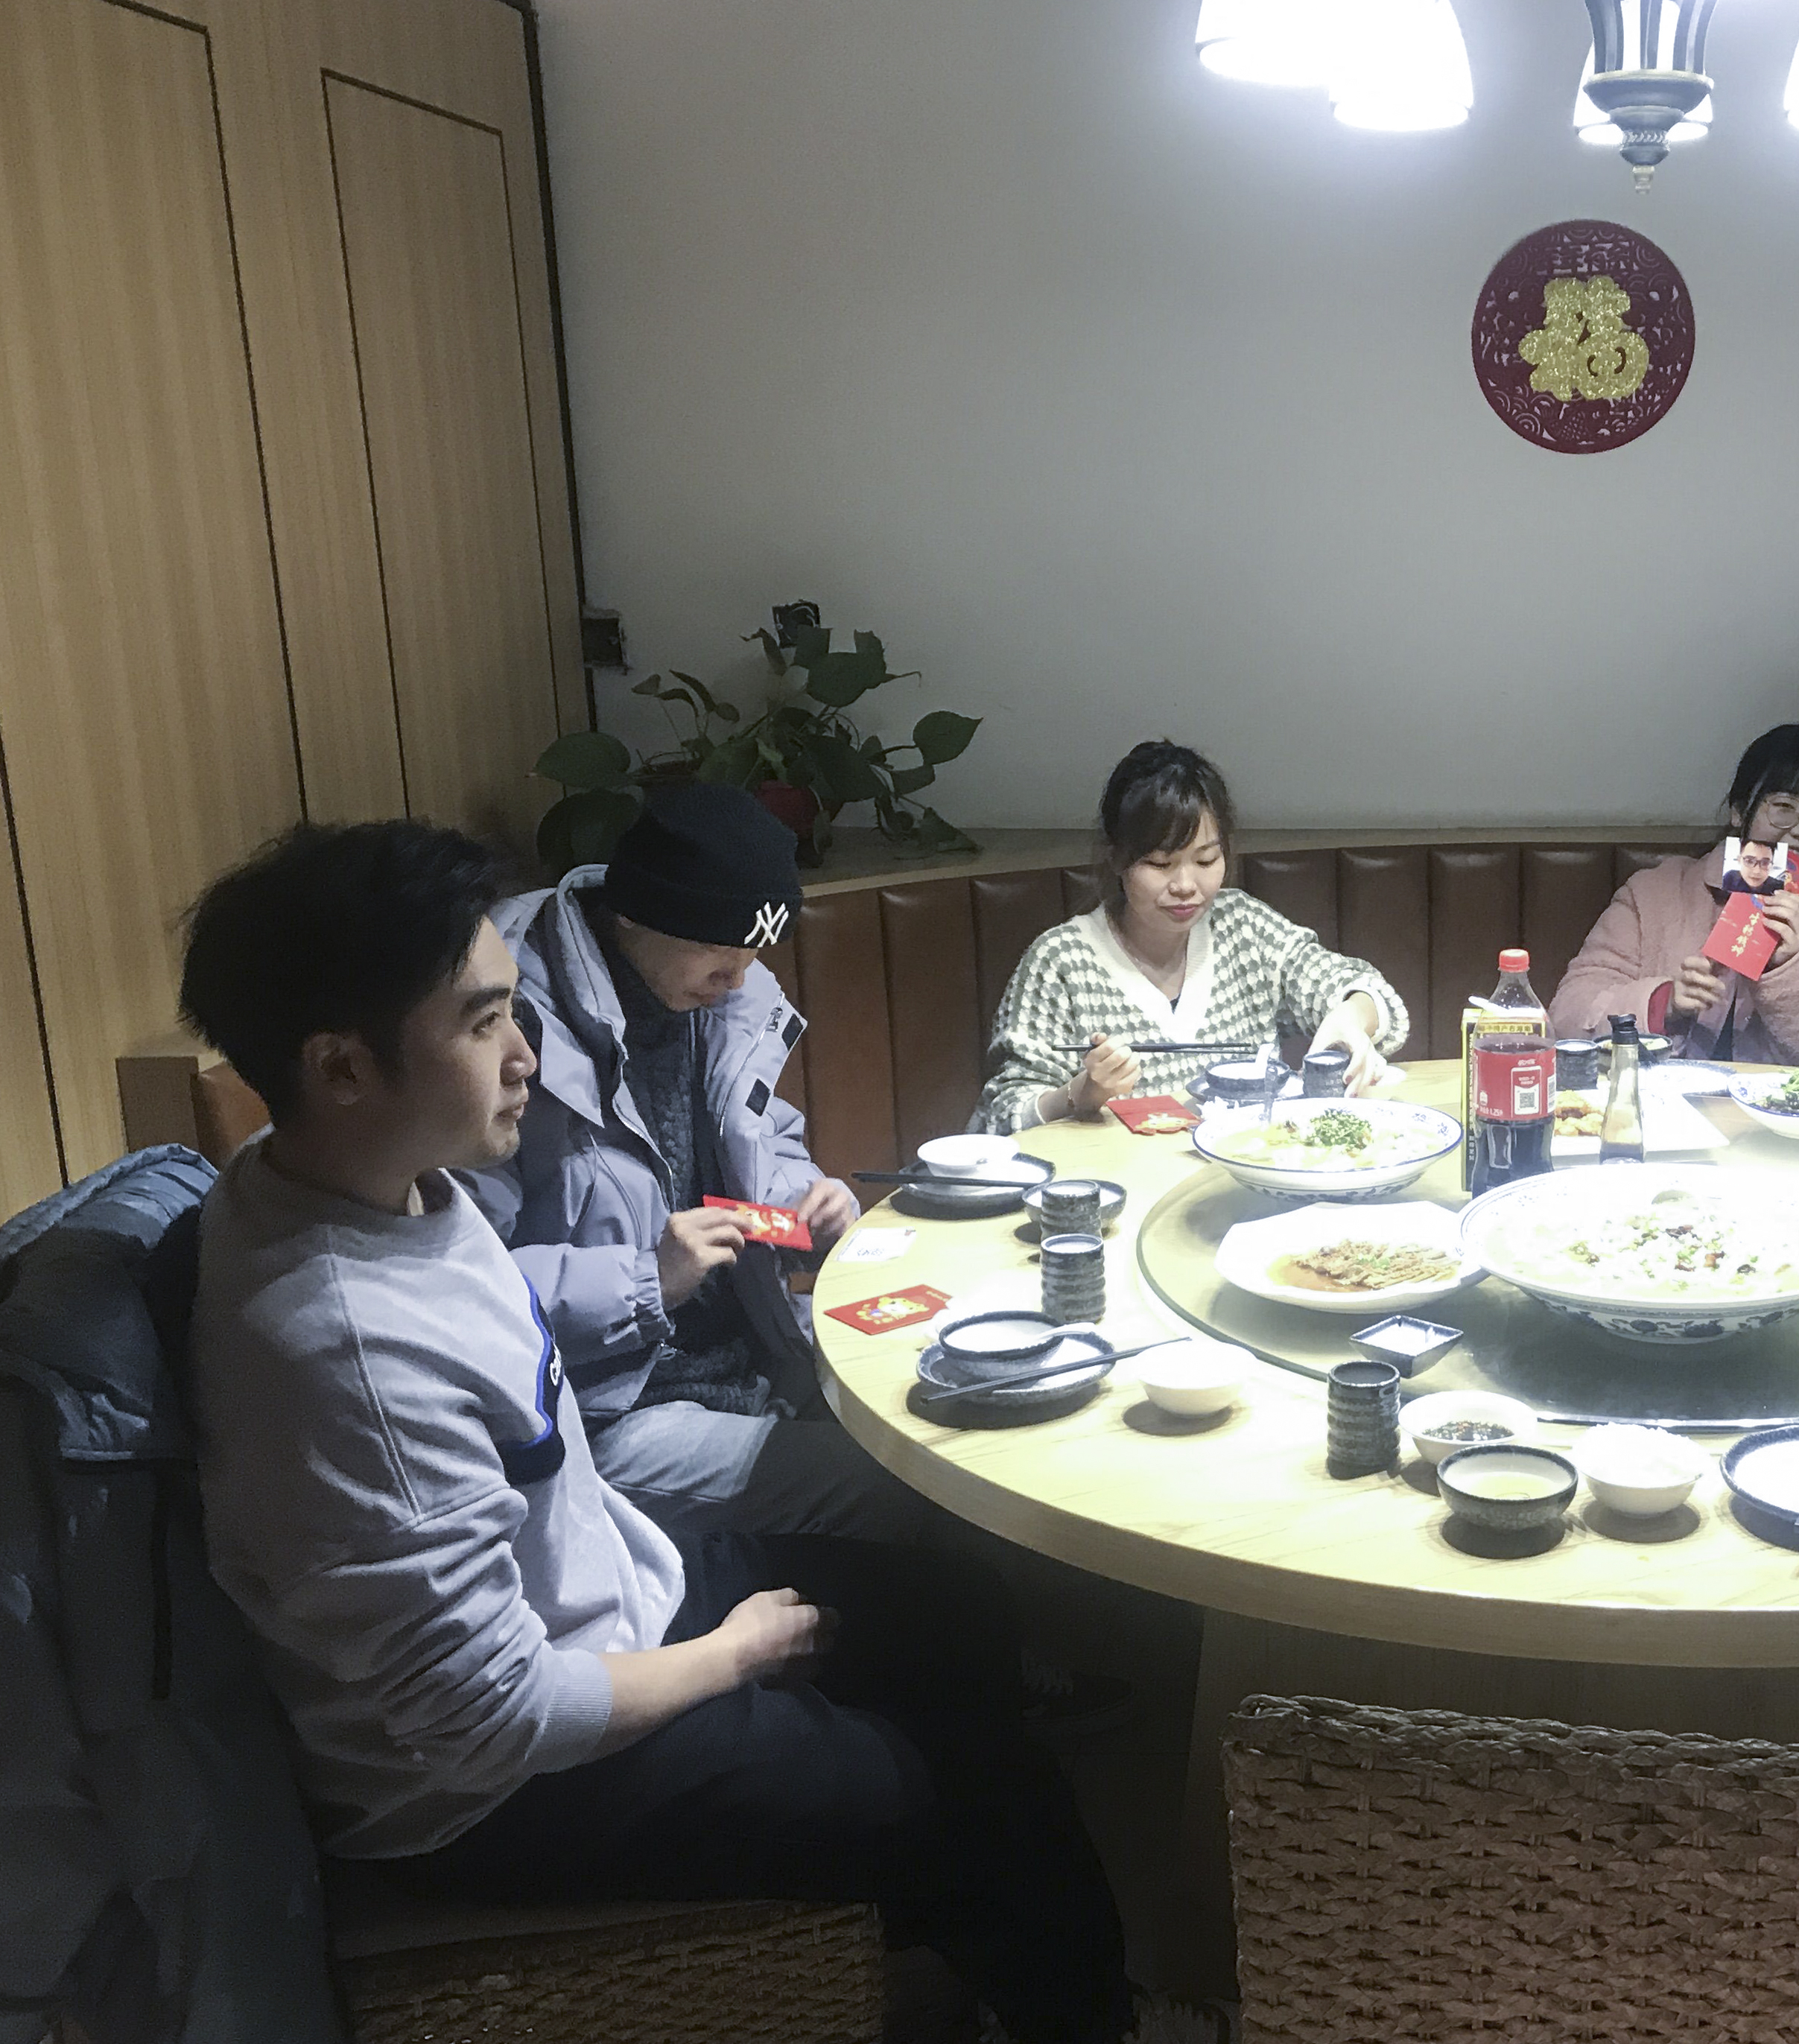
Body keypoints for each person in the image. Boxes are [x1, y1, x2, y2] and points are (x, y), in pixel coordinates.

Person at [177, 819, 1152, 2044]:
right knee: (985, 1791)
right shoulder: (344, 1347)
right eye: (484, 1023)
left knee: (953, 1612)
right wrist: (730, 1656)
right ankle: (1065, 1984)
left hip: (601, 1594)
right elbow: (490, 1720)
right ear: (341, 1068)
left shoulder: (371, 1179)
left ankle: (954, 1927)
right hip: (501, 1792)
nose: (527, 1056)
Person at [469, 783, 942, 1546]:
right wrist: (646, 1280)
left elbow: (762, 1136)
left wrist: (806, 1208)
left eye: (754, 951)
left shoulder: (720, 999)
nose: (740, 975)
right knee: (911, 1482)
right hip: (609, 1409)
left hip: (754, 1349)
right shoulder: (510, 1034)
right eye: (720, 949)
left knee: (947, 1408)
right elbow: (463, 1280)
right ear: (632, 915)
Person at [974, 741, 1408, 1132]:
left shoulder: (1243, 927)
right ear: (1117, 859)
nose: (1186, 886)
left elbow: (1368, 992)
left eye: (1205, 861)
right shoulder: (1061, 962)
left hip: (1245, 1173)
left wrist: (1351, 1017)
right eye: (1161, 864)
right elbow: (1000, 1115)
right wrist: (1083, 1093)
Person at [1552, 723, 1799, 1066]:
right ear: (1739, 810)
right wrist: (1663, 1003)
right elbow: (1568, 1017)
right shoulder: (1653, 893)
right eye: (1784, 807)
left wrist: (1796, 970)